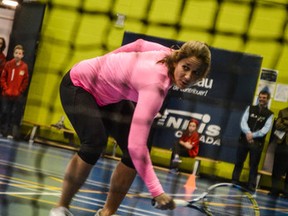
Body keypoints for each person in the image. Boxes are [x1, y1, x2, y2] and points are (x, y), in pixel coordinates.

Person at [49, 38, 211, 216]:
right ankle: (60, 208)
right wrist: (157, 191)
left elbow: (139, 44)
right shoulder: (156, 85)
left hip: (110, 96)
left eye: (196, 73)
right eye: (186, 67)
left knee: (134, 154)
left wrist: (107, 59)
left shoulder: (167, 53)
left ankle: (107, 213)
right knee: (95, 142)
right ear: (178, 59)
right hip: (79, 85)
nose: (188, 76)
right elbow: (136, 145)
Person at [232, 89, 274, 193]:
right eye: (260, 97)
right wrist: (248, 133)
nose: (261, 99)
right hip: (244, 139)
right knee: (239, 162)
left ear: (268, 99)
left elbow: (265, 129)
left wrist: (253, 135)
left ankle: (251, 185)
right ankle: (234, 180)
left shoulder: (270, 114)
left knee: (254, 165)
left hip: (257, 143)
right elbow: (243, 122)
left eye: (264, 98)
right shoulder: (250, 108)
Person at [0, 44, 29, 138]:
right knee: (5, 112)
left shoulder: (24, 67)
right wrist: (6, 88)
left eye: (19, 53)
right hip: (6, 94)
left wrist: (20, 91)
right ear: (13, 54)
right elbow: (3, 78)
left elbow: (25, 81)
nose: (17, 55)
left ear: (22, 55)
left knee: (14, 113)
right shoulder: (8, 64)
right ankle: (3, 131)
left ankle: (10, 132)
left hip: (16, 95)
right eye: (16, 53)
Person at [269, 107, 288, 198]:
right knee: (277, 168)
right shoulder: (283, 111)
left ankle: (286, 192)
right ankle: (274, 190)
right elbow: (277, 125)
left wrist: (285, 122)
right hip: (282, 144)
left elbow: (282, 124)